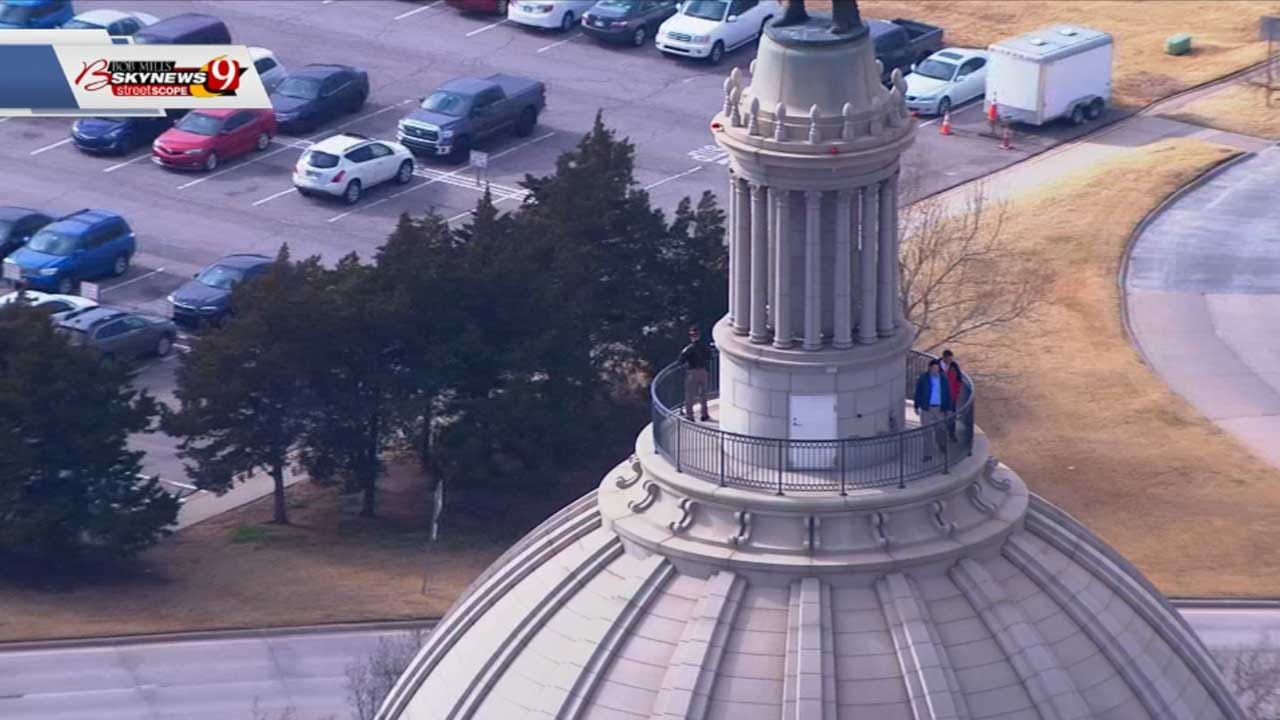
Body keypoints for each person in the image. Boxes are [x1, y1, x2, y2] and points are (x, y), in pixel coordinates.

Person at [913, 359, 953, 461]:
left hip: (939, 408)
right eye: (934, 368)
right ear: (930, 368)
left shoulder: (943, 379)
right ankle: (927, 454)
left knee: (941, 429)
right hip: (927, 408)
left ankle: (941, 445)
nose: (936, 370)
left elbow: (948, 393)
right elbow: (918, 393)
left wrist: (948, 408)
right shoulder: (923, 378)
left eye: (937, 368)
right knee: (926, 432)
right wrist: (916, 406)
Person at [679, 325, 712, 422]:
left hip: (692, 372)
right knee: (703, 394)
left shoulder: (687, 349)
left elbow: (680, 361)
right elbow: (709, 357)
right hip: (704, 371)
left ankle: (690, 416)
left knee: (690, 394)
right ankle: (704, 414)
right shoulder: (705, 347)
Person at [939, 349, 963, 441]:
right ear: (944, 357)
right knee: (940, 416)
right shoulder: (936, 366)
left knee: (951, 416)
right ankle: (941, 436)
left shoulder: (954, 366)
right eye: (948, 359)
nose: (950, 361)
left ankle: (951, 434)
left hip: (951, 397)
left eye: (951, 359)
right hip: (940, 397)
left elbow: (959, 379)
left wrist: (956, 391)